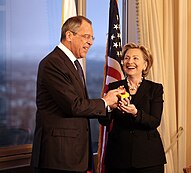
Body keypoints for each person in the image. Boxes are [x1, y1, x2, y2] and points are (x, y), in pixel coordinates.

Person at [31, 16, 124, 173]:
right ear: (69, 36)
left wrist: (108, 106)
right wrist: (105, 102)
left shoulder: (74, 65)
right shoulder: (53, 63)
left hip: (72, 156)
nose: (91, 42)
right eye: (86, 37)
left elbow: (80, 104)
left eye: (92, 38)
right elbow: (73, 105)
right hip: (58, 158)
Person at [99, 42, 167, 173]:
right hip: (118, 157)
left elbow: (154, 121)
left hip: (148, 159)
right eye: (126, 58)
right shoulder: (114, 88)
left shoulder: (155, 89)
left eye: (135, 58)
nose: (130, 61)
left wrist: (136, 113)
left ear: (145, 64)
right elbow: (104, 121)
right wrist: (109, 107)